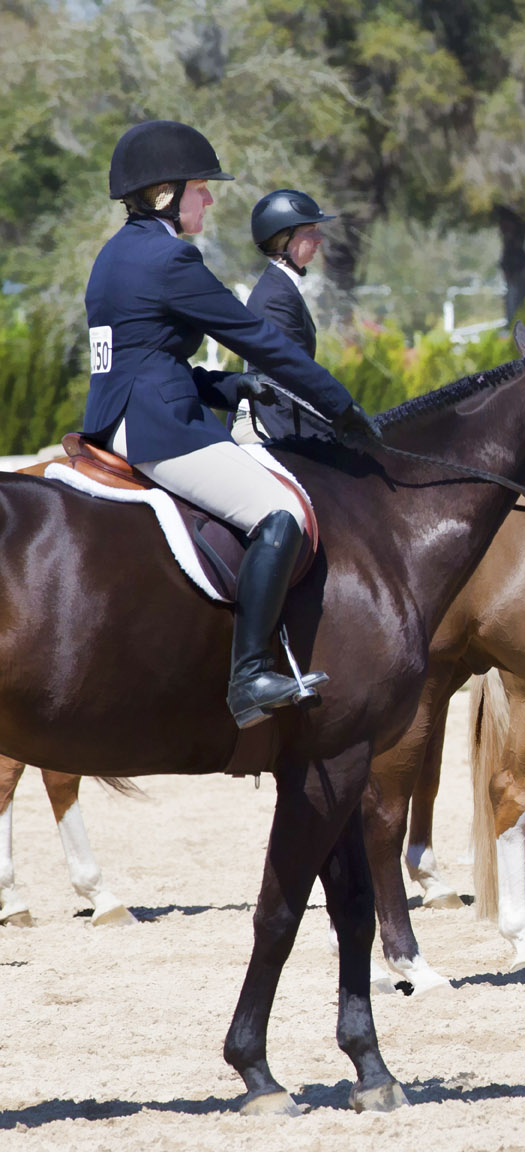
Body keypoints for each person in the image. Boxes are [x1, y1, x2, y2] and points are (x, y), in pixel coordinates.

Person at [84, 120, 376, 728]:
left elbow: (143, 359)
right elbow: (261, 340)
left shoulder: (113, 256)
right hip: (159, 428)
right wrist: (342, 405)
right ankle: (248, 677)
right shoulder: (170, 257)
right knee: (281, 512)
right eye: (200, 187)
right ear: (164, 193)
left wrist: (225, 385)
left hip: (116, 418)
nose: (210, 199)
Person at [238, 188, 339, 441]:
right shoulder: (276, 297)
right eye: (310, 231)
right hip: (266, 425)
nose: (319, 239)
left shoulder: (282, 287)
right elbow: (291, 378)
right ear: (284, 238)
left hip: (278, 417)